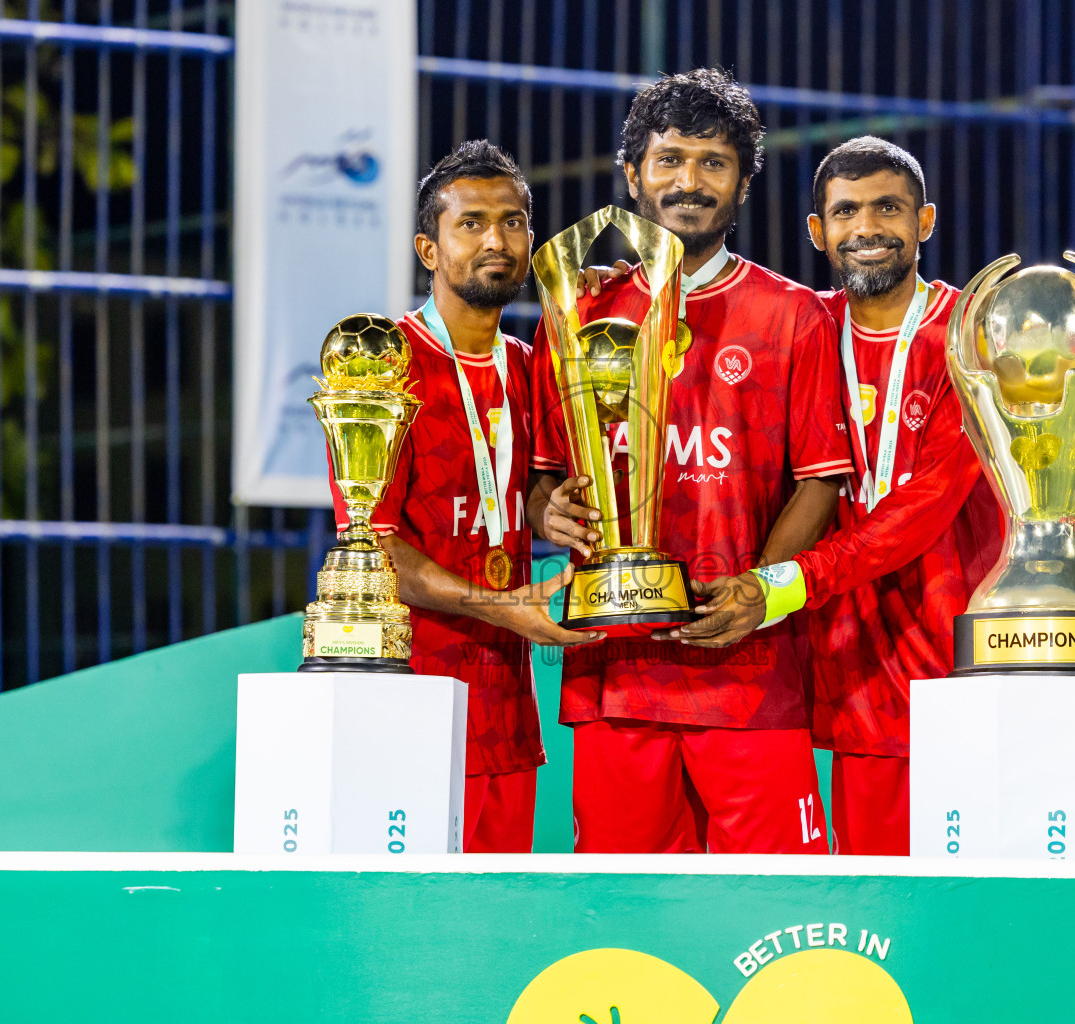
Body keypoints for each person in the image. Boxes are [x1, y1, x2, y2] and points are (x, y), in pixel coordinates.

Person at [527, 69, 853, 855]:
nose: (689, 181)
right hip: (618, 673)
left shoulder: (794, 315)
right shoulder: (577, 313)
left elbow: (820, 485)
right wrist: (547, 510)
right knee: (627, 920)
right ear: (633, 174)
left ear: (743, 184)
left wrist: (757, 595)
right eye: (670, 159)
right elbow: (541, 476)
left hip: (750, 680)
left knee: (775, 914)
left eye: (714, 162)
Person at [678, 137, 1002, 855]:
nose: (866, 229)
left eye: (888, 208)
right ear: (818, 232)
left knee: (959, 914)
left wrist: (785, 581)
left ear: (925, 221)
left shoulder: (971, 340)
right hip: (844, 666)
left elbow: (923, 509)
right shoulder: (799, 326)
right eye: (846, 212)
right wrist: (634, 281)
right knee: (864, 903)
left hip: (947, 662)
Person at [330, 139, 600, 853]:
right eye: (472, 223)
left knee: (497, 925)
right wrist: (503, 606)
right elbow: (376, 546)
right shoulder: (384, 364)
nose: (496, 240)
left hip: (507, 710)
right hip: (410, 695)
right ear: (429, 246)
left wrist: (555, 510)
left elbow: (526, 492)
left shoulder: (532, 365)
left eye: (513, 222)